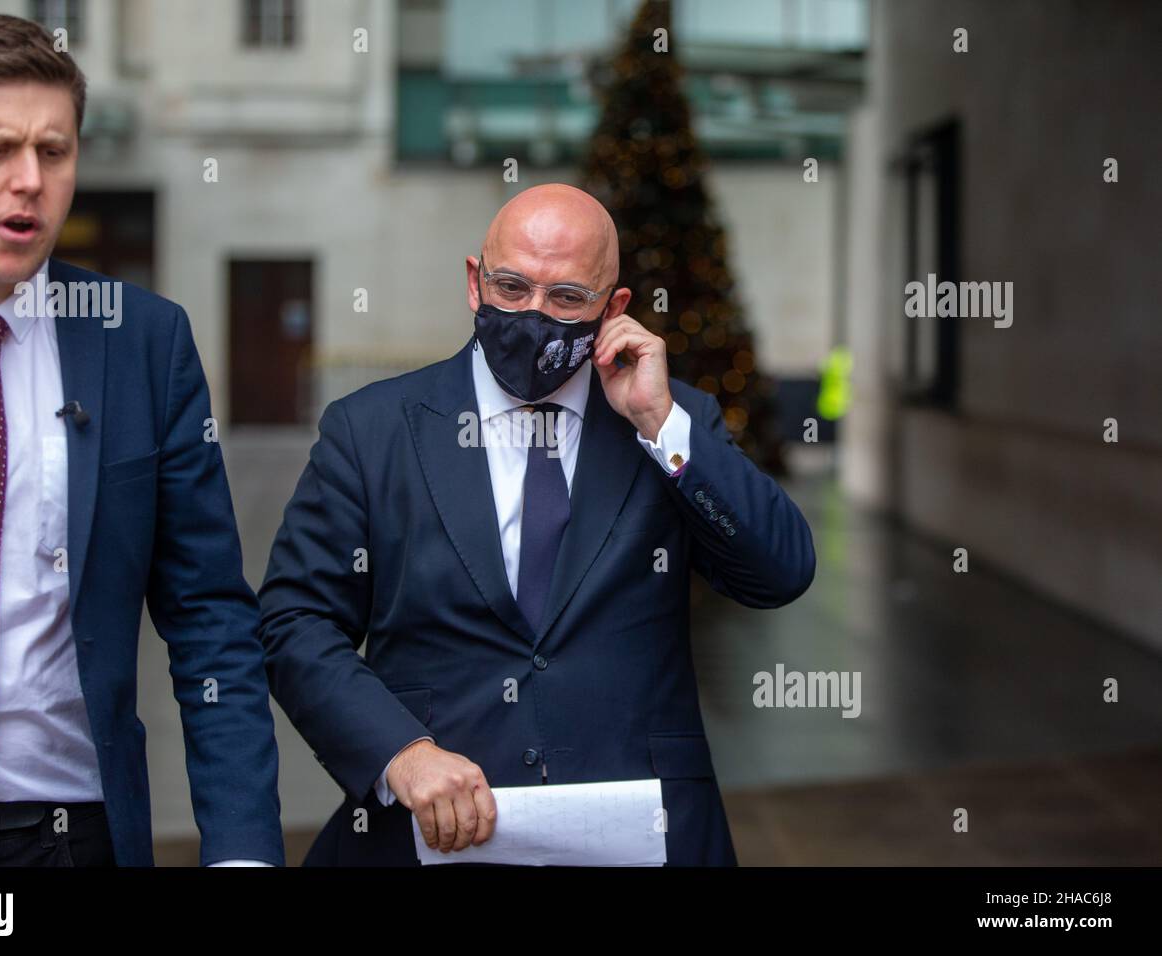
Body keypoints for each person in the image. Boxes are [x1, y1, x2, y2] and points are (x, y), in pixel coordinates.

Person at [259, 183, 816, 865]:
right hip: (429, 840)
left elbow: (779, 572)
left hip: (639, 837)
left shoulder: (670, 422)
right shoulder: (371, 432)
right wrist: (400, 753)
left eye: (565, 299)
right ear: (474, 282)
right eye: (512, 287)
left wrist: (659, 424)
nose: (532, 315)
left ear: (613, 309)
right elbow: (296, 622)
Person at [0, 12, 283, 867]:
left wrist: (241, 852)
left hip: (70, 838)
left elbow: (209, 619)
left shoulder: (142, 342)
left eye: (54, 153)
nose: (29, 182)